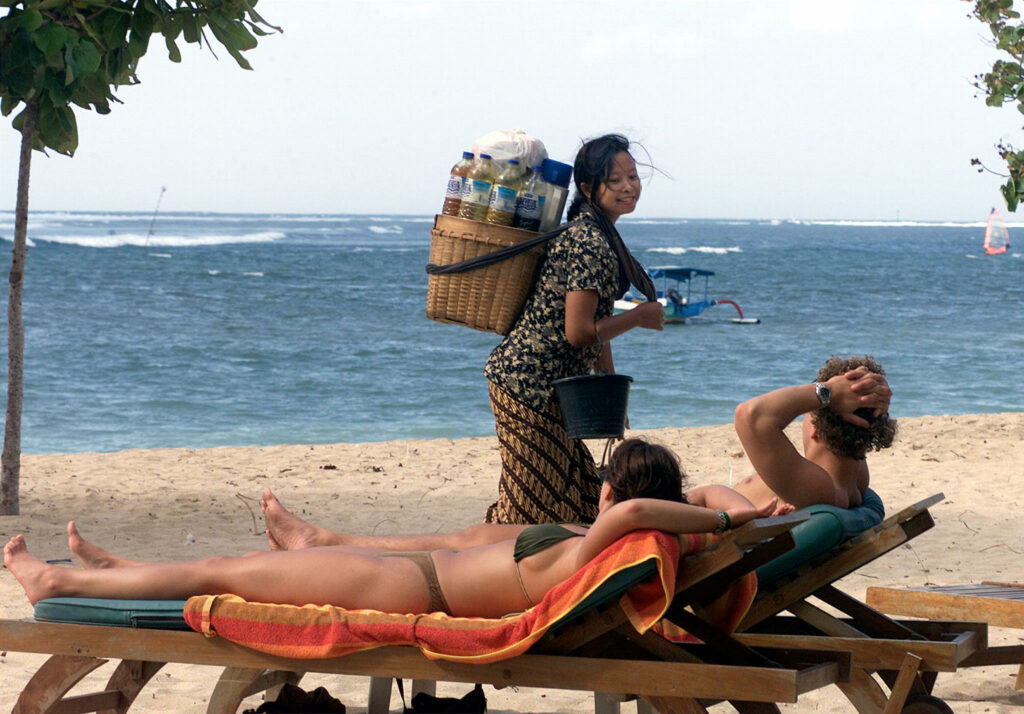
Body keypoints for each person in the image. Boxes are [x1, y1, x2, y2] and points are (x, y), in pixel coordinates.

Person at [4, 439, 775, 616]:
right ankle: (108, 573)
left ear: (611, 489)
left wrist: (716, 512)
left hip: (407, 589)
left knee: (224, 570)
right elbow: (672, 506)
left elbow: (645, 508)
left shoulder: (617, 532)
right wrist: (733, 514)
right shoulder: (628, 541)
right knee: (230, 566)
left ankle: (60, 579)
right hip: (416, 579)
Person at [483, 134, 665, 525]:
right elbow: (579, 331)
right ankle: (471, 570)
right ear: (587, 188)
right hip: (526, 385)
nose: (629, 186)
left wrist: (609, 381)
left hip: (552, 392)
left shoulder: (598, 233)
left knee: (581, 498)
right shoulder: (589, 241)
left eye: (632, 176)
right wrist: (638, 315)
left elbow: (595, 319)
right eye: (614, 180)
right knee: (536, 511)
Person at [732, 355, 897, 511]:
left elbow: (750, 416)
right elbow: (864, 414)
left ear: (815, 428)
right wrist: (874, 393)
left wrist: (828, 391)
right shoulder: (855, 477)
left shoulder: (816, 487)